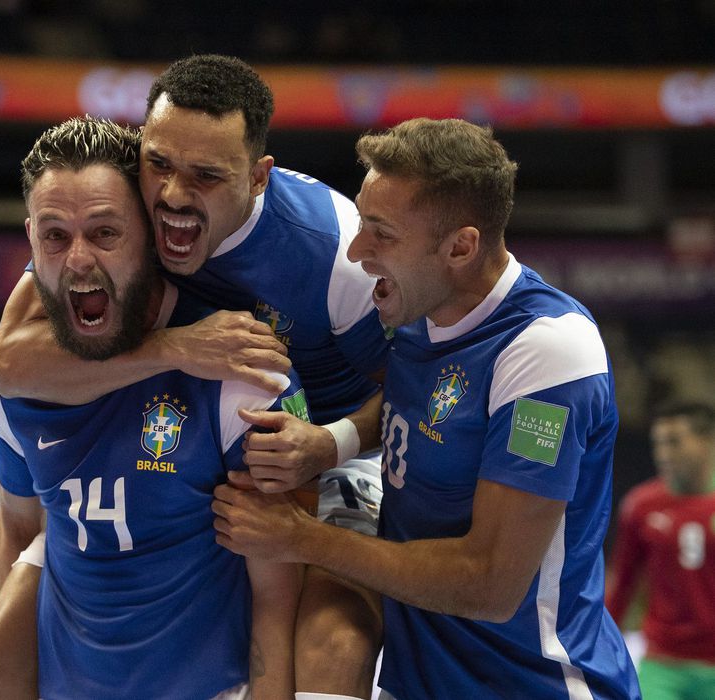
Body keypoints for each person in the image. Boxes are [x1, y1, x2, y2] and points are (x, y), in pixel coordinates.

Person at [0, 54, 390, 700]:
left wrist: (329, 442)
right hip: (202, 414)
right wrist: (177, 348)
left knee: (333, 644)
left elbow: (416, 394)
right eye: (159, 163)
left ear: (256, 178)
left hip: (338, 444)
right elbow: (12, 365)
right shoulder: (105, 211)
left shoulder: (334, 248)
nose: (171, 195)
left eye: (205, 176)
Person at [211, 117, 642, 699]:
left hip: (534, 685)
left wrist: (301, 539)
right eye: (362, 223)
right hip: (422, 683)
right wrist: (331, 441)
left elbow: (490, 585)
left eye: (381, 234)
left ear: (460, 247)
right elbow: (413, 404)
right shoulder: (418, 314)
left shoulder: (547, 353)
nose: (358, 251)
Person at [607, 401, 715, 698]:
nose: (663, 453)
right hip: (663, 662)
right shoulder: (641, 506)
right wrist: (601, 648)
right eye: (658, 443)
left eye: (674, 442)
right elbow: (622, 584)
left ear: (706, 441)